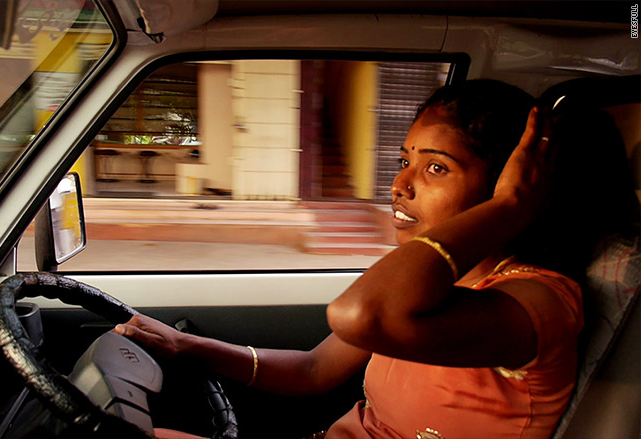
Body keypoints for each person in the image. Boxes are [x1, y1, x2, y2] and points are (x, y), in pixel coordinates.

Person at [112, 79, 633, 439]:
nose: (399, 185)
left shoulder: (534, 303)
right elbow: (315, 369)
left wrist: (512, 207)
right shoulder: (434, 286)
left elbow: (361, 315)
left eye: (435, 169)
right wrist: (186, 344)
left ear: (508, 187)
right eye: (406, 161)